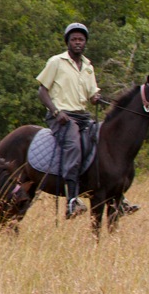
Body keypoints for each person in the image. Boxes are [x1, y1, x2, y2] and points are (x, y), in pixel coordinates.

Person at [36, 22, 104, 219]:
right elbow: (42, 90)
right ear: (67, 42)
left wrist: (96, 98)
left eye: (81, 40)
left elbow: (92, 94)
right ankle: (72, 200)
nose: (77, 43)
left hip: (83, 116)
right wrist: (56, 112)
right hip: (62, 117)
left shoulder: (88, 66)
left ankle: (116, 194)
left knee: (104, 139)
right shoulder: (56, 62)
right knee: (73, 145)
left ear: (85, 43)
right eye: (73, 39)